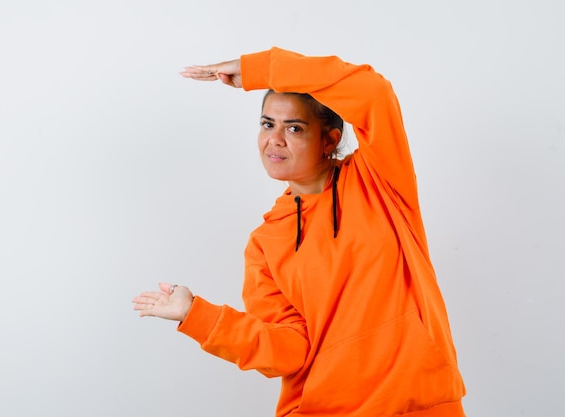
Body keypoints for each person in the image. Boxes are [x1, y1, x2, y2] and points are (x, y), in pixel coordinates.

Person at [132, 47, 466, 416]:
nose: (274, 140)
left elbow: (372, 91)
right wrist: (195, 314)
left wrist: (260, 70)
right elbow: (289, 351)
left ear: (330, 139)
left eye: (294, 127)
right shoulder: (265, 242)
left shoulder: (380, 181)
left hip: (418, 403)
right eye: (267, 124)